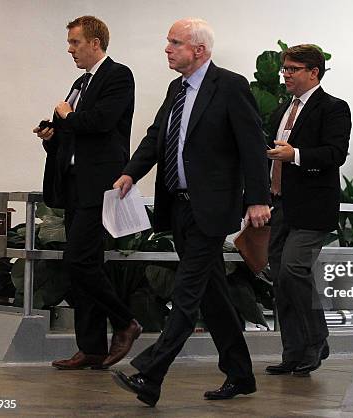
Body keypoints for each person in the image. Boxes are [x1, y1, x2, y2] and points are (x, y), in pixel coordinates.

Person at [110, 18, 271, 407]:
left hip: (211, 209)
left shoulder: (230, 86)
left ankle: (150, 372)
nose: (167, 48)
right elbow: (156, 137)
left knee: (186, 293)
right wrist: (131, 172)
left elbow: (253, 145)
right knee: (212, 294)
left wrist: (258, 198)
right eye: (168, 42)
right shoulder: (175, 89)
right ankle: (241, 374)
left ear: (199, 50)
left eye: (175, 42)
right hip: (178, 207)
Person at [33, 16, 141, 370]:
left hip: (100, 185)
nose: (70, 49)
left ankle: (125, 322)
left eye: (75, 43)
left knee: (78, 261)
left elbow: (100, 123)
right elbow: (70, 135)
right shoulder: (79, 82)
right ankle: (92, 347)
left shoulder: (118, 76)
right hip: (74, 185)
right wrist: (53, 135)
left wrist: (66, 116)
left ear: (95, 43)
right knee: (86, 264)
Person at [264, 45, 351, 376]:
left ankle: (316, 341)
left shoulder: (333, 108)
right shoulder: (282, 111)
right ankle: (293, 351)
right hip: (280, 204)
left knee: (293, 270)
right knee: (280, 280)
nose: (285, 74)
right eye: (284, 69)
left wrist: (295, 155)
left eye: (292, 69)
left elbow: (335, 153)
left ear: (314, 72)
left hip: (313, 207)